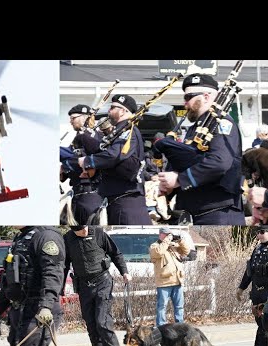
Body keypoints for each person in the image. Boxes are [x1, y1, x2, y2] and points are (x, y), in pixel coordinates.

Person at [156, 74, 244, 225]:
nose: (185, 103)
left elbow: (219, 162)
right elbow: (191, 161)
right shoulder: (194, 129)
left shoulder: (221, 123)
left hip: (218, 213)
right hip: (197, 210)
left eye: (189, 97)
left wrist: (179, 179)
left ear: (205, 96)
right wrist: (170, 186)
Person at [0, 226, 65, 346]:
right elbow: (10, 282)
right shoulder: (21, 239)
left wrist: (46, 306)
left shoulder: (46, 236)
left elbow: (53, 275)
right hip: (19, 312)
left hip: (38, 313)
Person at [63, 225, 130, 346]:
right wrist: (59, 287)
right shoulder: (68, 239)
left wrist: (124, 272)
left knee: (102, 322)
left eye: (85, 228)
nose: (85, 231)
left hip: (102, 282)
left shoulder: (99, 233)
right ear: (73, 230)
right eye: (81, 231)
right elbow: (65, 265)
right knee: (92, 327)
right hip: (83, 286)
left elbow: (115, 253)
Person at [78, 94, 151, 225]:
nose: (109, 111)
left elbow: (114, 156)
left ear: (123, 111)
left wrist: (88, 161)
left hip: (127, 201)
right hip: (118, 198)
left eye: (113, 108)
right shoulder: (119, 131)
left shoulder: (129, 130)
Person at [60, 104, 103, 224]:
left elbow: (83, 159)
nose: (70, 122)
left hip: (90, 192)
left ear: (84, 118)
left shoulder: (94, 136)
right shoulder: (78, 138)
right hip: (78, 192)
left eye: (73, 118)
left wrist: (64, 166)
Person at [236, 227, 268, 346]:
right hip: (257, 293)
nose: (259, 235)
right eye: (258, 232)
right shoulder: (257, 249)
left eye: (262, 232)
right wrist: (241, 288)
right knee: (261, 324)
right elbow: (250, 271)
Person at [150, 228, 190, 326]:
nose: (170, 236)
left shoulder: (173, 246)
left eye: (170, 235)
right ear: (161, 235)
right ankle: (161, 326)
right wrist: (167, 241)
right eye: (167, 234)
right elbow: (159, 252)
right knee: (162, 306)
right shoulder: (155, 246)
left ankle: (180, 325)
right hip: (164, 283)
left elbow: (186, 251)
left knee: (179, 306)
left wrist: (180, 240)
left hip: (177, 281)